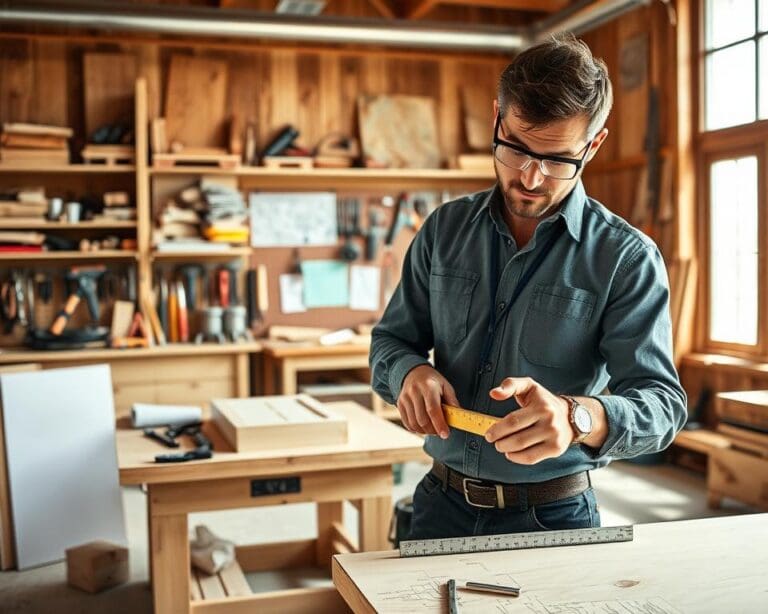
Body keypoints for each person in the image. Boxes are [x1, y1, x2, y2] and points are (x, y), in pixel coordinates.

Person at [369, 33, 687, 541]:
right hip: (438, 504)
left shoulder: (626, 258)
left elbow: (663, 404)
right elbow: (390, 341)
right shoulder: (443, 231)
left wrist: (579, 416)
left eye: (558, 159)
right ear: (498, 117)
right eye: (515, 148)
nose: (531, 178)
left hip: (554, 515)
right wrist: (409, 374)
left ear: (594, 144)